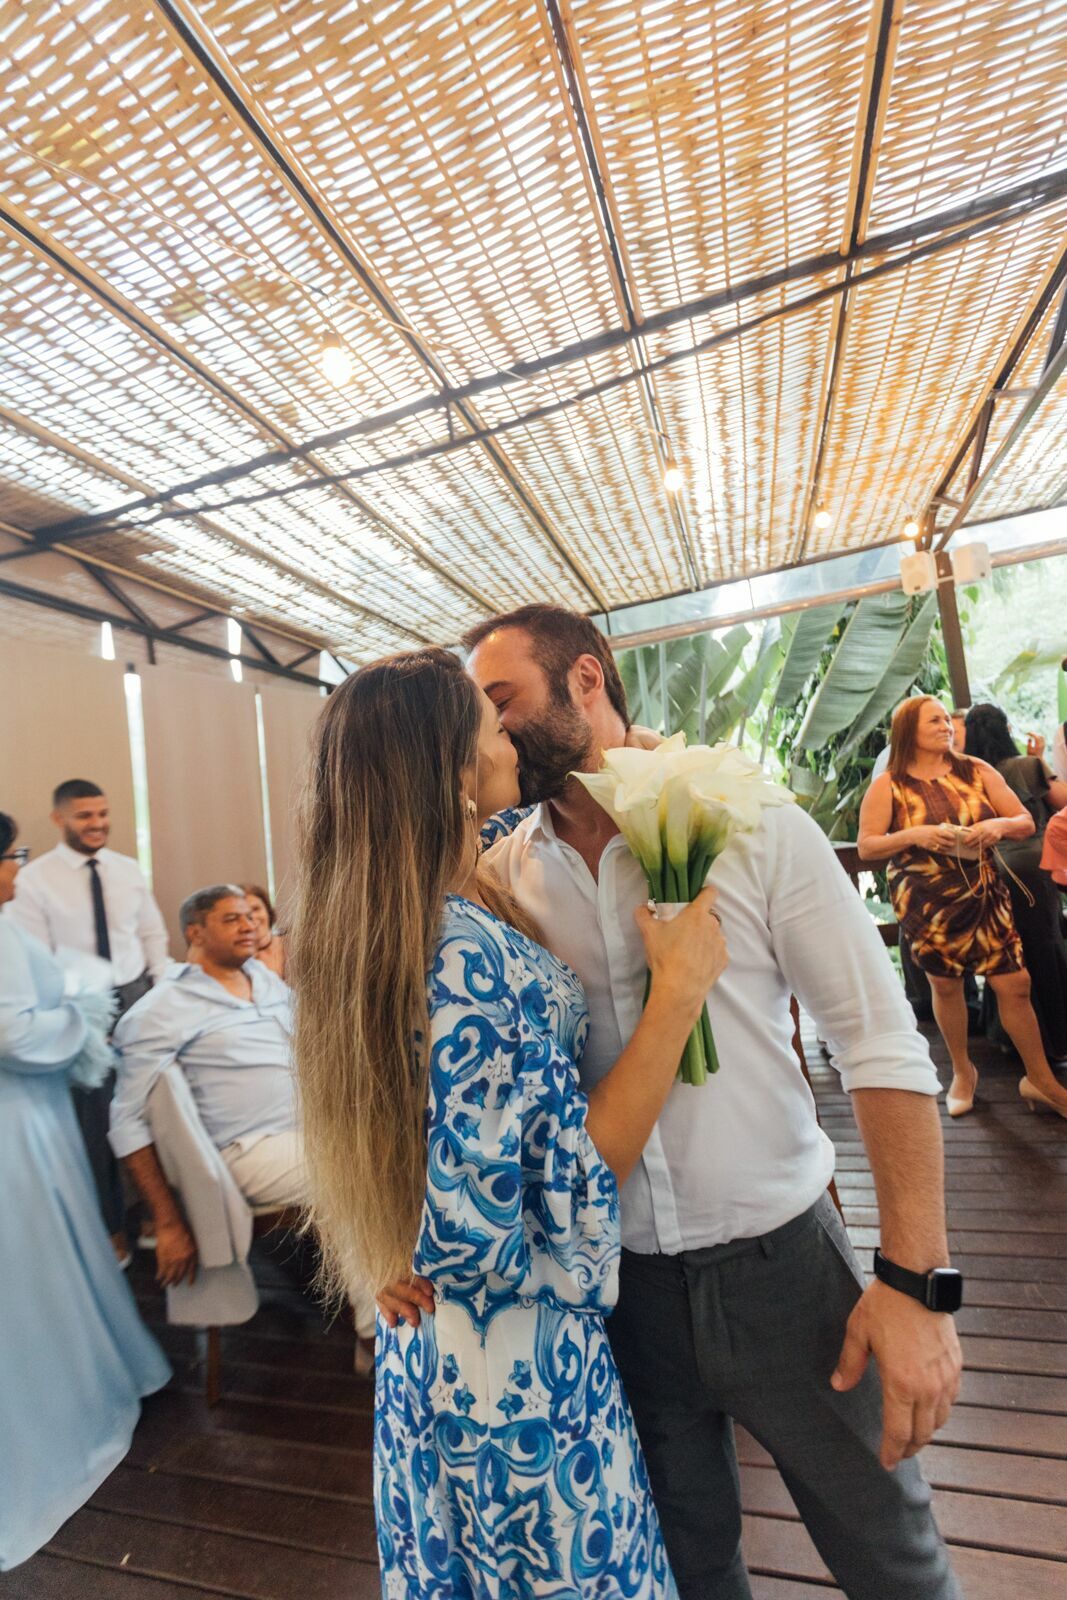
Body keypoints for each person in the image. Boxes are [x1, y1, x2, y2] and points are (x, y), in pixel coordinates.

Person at [382, 606, 963, 1600]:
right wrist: (393, 1236)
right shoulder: (499, 873)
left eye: (500, 700)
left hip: (784, 1271)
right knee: (684, 1562)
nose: (486, 729)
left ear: (586, 682)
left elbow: (878, 1041)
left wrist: (913, 1283)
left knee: (888, 1550)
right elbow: (431, 1062)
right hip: (616, 1296)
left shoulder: (753, 820)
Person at [290, 647, 728, 1598]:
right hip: (514, 1361)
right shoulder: (462, 954)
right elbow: (570, 1170)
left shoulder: (405, 914)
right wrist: (677, 999)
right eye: (488, 720)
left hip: (435, 1346)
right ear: (448, 764)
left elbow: (397, 1125)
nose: (506, 732)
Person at [0, 812, 170, 1571]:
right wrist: (77, 1019)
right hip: (16, 1119)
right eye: (12, 857)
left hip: (25, 1107)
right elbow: (12, 1033)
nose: (16, 870)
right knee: (34, 1265)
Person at [859, 696, 1067, 1120]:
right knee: (947, 986)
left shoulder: (978, 770)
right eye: (933, 720)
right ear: (908, 732)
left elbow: (1024, 821)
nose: (946, 726)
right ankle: (962, 1071)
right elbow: (867, 846)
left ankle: (1041, 1080)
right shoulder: (889, 784)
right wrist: (915, 834)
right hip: (927, 900)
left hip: (985, 892)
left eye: (946, 720)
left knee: (1016, 983)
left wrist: (996, 825)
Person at [7, 778, 169, 1262]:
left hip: (136, 993)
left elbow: (151, 934)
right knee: (97, 1117)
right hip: (80, 1003)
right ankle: (110, 1225)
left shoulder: (126, 869)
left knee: (152, 1104)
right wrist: (80, 1013)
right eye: (85, 816)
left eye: (102, 813)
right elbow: (37, 957)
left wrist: (160, 992)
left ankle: (153, 1215)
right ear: (60, 819)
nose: (97, 824)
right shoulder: (33, 879)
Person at [110, 885, 302, 1290]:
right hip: (244, 1150)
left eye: (251, 916)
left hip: (306, 1133)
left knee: (396, 1148)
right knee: (359, 1170)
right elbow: (126, 1123)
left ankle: (380, 1320)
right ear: (194, 933)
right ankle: (376, 1334)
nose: (249, 926)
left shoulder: (266, 983)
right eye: (231, 919)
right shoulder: (160, 1010)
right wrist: (167, 1221)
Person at [964, 702, 1067, 1064]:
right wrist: (1041, 760)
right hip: (1032, 866)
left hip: (990, 867)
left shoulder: (969, 776)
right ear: (1006, 730)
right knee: (1045, 945)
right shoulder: (1026, 766)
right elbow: (1063, 800)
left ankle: (1009, 1036)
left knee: (1006, 951)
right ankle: (1056, 1038)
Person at [242, 883, 287, 978]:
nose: (252, 917)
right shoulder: (237, 963)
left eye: (256, 909)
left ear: (268, 911)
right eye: (244, 913)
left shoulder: (292, 943)